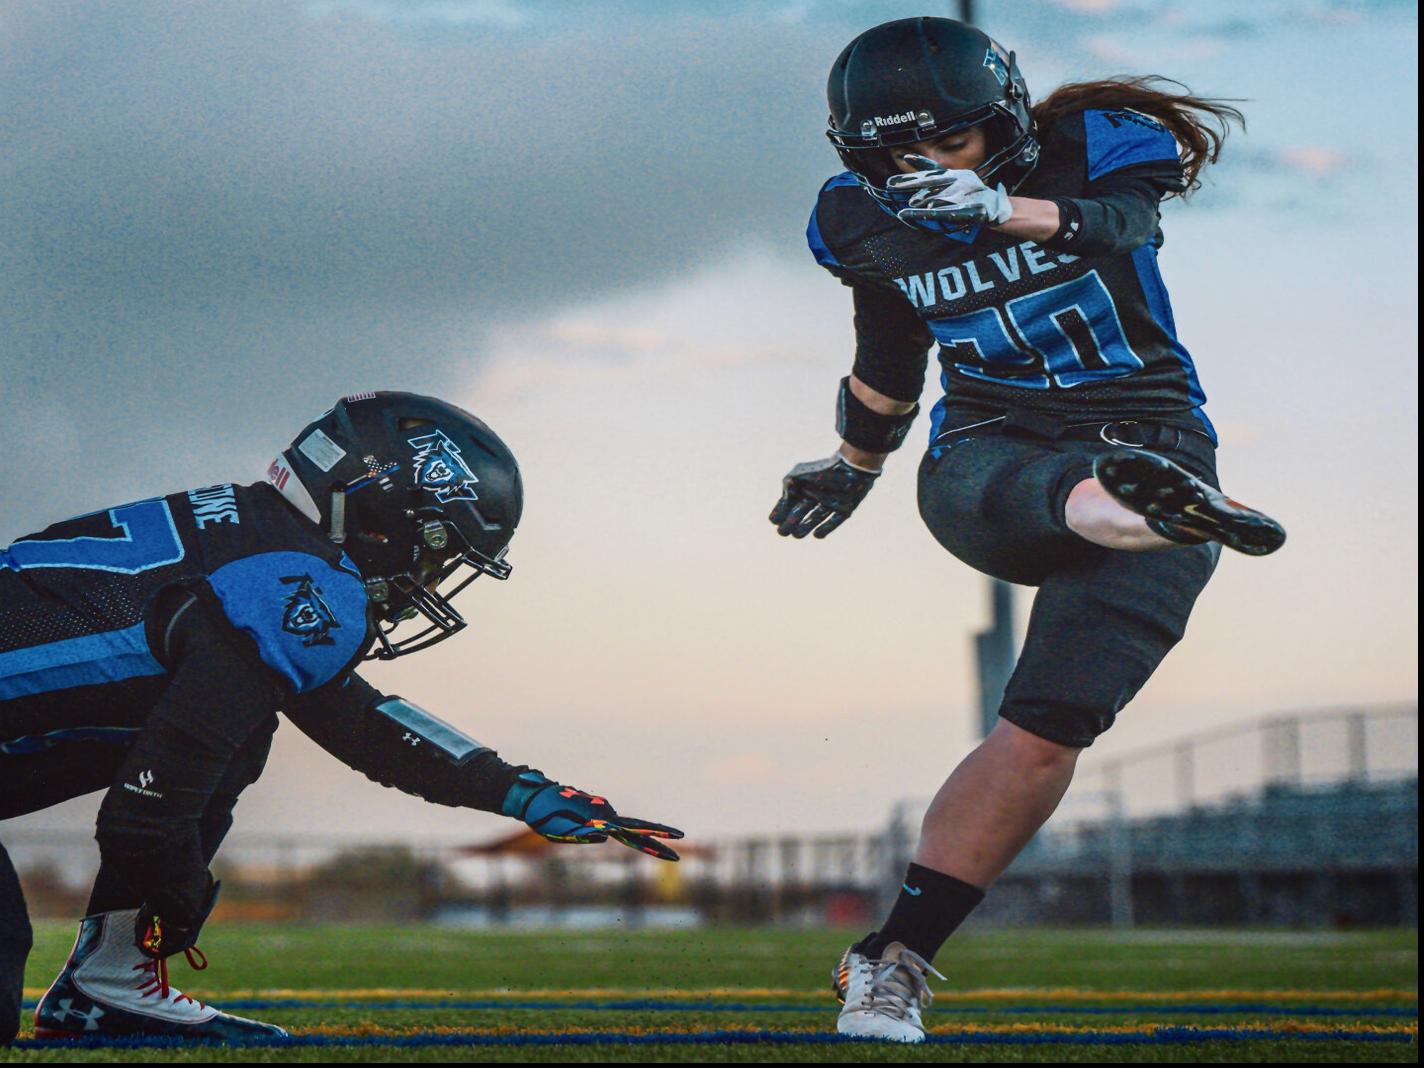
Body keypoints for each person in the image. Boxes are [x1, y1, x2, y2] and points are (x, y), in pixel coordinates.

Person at [770, 17, 1285, 1043]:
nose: (914, 169)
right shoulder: (856, 220)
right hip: (988, 457)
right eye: (887, 154)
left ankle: (887, 960)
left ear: (1000, 121)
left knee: (1044, 735)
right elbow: (887, 357)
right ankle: (1125, 507)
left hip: (1150, 427)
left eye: (943, 143)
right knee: (1069, 492)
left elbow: (1123, 225)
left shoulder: (1093, 139)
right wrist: (853, 465)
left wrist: (1007, 211)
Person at [0, 391, 682, 1045]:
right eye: (439, 551)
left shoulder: (258, 544)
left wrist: (518, 790)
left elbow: (357, 721)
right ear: (385, 517)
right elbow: (144, 820)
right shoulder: (296, 586)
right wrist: (178, 894)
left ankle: (108, 983)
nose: (430, 581)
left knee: (241, 733)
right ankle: (111, 978)